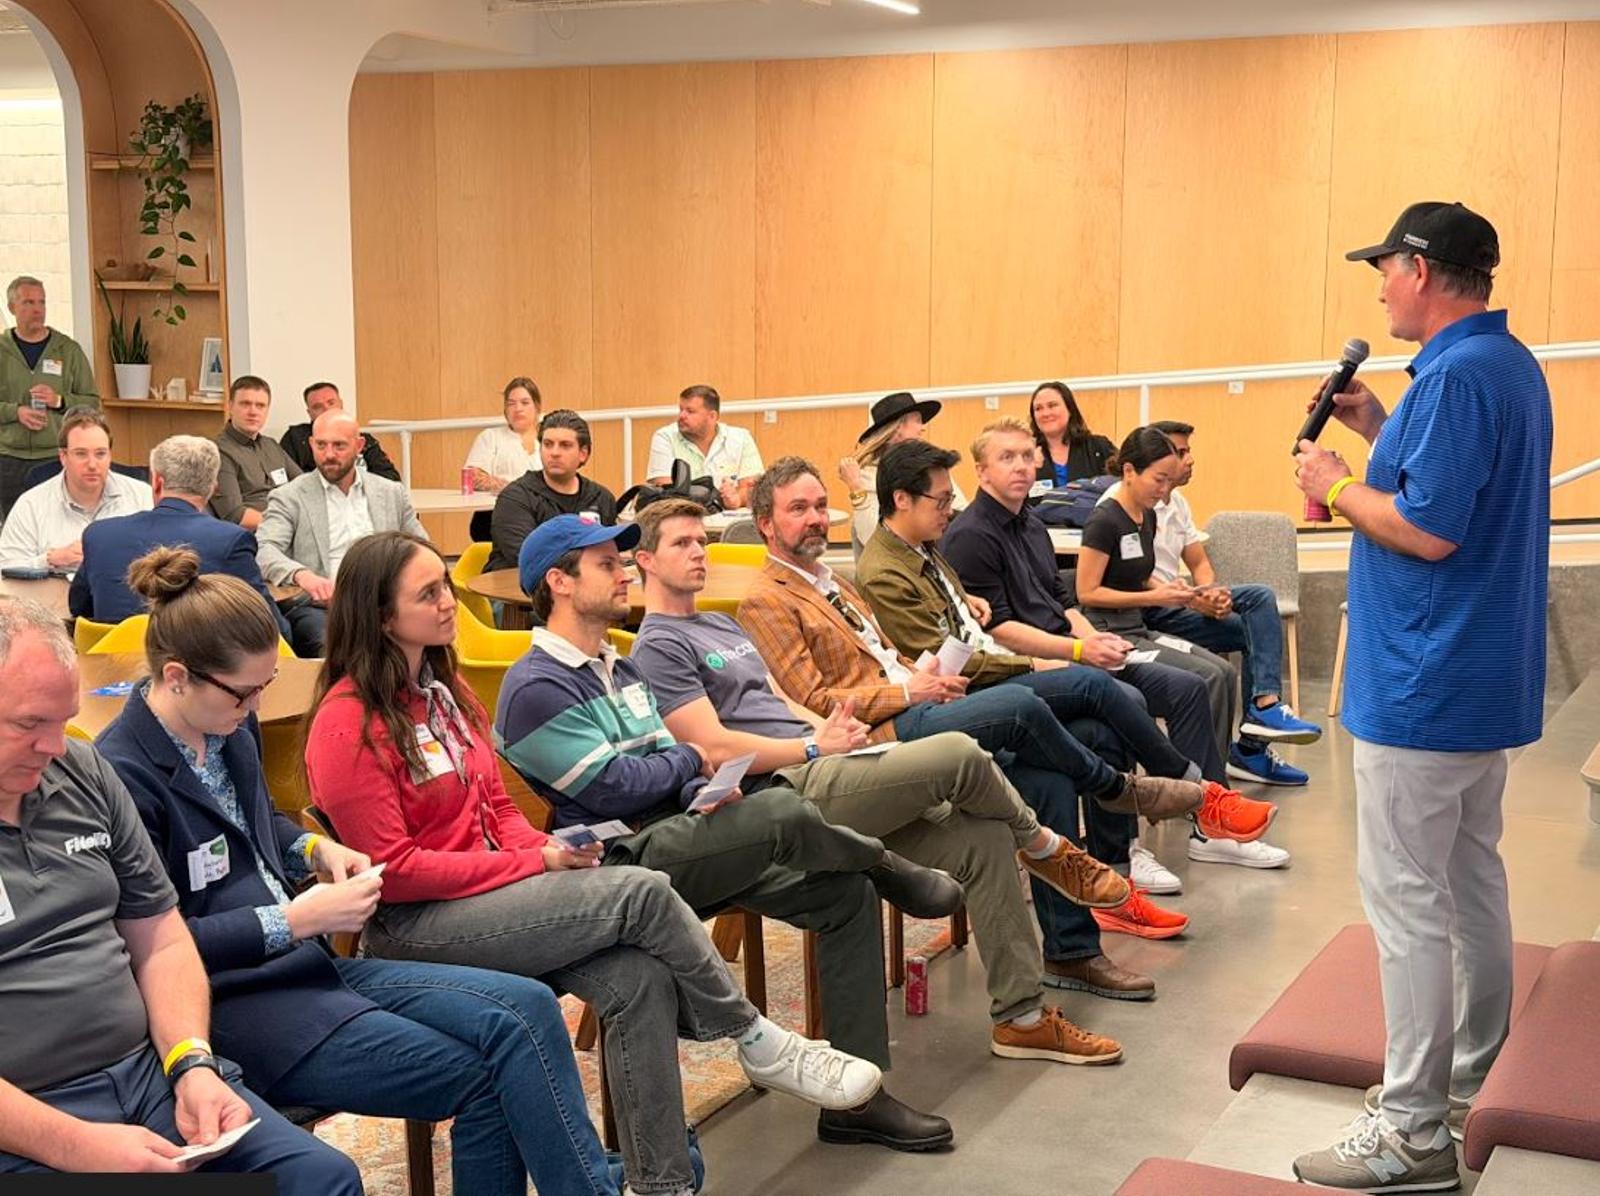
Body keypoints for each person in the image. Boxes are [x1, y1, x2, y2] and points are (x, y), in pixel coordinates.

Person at [306, 530, 883, 1196]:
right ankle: (755, 1038)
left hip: (491, 900)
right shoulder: (347, 723)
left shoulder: (447, 692)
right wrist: (533, 864)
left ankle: (661, 1185)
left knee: (640, 977)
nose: (448, 602)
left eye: (445, 584)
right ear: (382, 617)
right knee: (640, 891)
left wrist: (545, 854)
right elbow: (396, 872)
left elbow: (498, 809)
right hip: (417, 925)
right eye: (428, 593)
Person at [96, 545, 620, 1196]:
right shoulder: (123, 775)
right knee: (489, 1072)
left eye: (263, 688)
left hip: (309, 970)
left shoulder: (225, 724)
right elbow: (154, 947)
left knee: (528, 1008)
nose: (255, 708)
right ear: (177, 677)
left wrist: (312, 850)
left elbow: (258, 823)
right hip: (234, 1006)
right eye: (245, 693)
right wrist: (292, 919)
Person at [497, 515, 964, 1147]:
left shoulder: (620, 668)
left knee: (842, 893)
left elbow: (667, 765)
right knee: (779, 812)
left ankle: (857, 1104)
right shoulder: (535, 685)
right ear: (559, 582)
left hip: (681, 836)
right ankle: (882, 863)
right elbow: (614, 788)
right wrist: (692, 761)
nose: (624, 572)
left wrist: (699, 785)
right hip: (616, 868)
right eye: (607, 564)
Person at [630, 498, 1129, 1076]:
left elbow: (783, 703)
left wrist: (831, 733)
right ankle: (1046, 848)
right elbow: (713, 748)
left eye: (701, 541)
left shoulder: (720, 624)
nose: (698, 553)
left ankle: (1022, 1018)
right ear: (645, 561)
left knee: (987, 840)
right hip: (781, 789)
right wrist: (813, 748)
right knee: (959, 753)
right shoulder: (658, 644)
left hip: (827, 760)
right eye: (682, 543)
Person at [1289, 203, 1551, 1192]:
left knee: (1406, 904)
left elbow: (1428, 531)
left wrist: (1334, 480)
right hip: (1476, 678)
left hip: (1422, 681)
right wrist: (1378, 428)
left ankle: (1412, 1133)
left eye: (1385, 271)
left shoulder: (1452, 376)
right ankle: (1467, 1078)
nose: (1380, 290)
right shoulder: (1503, 364)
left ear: (1422, 269)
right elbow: (1453, 488)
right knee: (1470, 879)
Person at [0, 595, 361, 1190]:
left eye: (63, 721)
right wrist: (76, 1145)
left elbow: (162, 939)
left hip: (146, 1073)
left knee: (321, 1178)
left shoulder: (83, 772)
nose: (56, 746)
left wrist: (192, 1063)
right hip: (24, 1117)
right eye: (29, 724)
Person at [858, 437, 1223, 908]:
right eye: (941, 500)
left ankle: (1113, 868)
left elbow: (1047, 603)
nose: (1024, 468)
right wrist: (1054, 657)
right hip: (973, 686)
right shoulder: (913, 557)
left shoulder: (937, 544)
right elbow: (951, 657)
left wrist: (969, 603)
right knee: (1100, 687)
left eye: (1028, 457)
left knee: (1104, 728)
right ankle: (1190, 789)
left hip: (1010, 663)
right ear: (903, 499)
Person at [942, 418, 1290, 872]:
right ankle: (1129, 847)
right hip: (1032, 663)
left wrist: (1093, 638)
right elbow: (998, 629)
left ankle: (1211, 826)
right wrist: (1079, 651)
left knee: (1189, 687)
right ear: (982, 471)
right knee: (1124, 702)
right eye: (1007, 458)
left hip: (1076, 646)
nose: (1022, 466)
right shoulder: (970, 535)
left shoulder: (1031, 525)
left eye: (1027, 456)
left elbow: (1063, 601)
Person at [1120, 419, 1323, 785]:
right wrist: (1190, 600)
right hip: (1153, 608)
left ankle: (1253, 740)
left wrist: (1209, 592)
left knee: (1257, 617)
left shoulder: (1177, 502)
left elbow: (1198, 562)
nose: (1188, 460)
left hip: (1180, 601)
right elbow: (1133, 571)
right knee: (1232, 652)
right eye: (1179, 452)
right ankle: (1247, 736)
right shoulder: (1127, 502)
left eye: (1188, 452)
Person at [69, 435, 288, 639]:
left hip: (111, 663)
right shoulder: (231, 541)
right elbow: (271, 628)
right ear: (213, 488)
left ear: (157, 482)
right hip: (194, 664)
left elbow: (79, 609)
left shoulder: (99, 535)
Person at [256, 410, 426, 657]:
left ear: (359, 446)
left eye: (339, 446)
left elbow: (422, 548)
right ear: (311, 444)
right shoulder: (289, 497)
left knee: (427, 634)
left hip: (384, 601)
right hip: (320, 607)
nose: (329, 455)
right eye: (321, 445)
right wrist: (301, 574)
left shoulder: (391, 493)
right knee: (335, 648)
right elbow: (264, 549)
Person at [0, 407, 151, 572]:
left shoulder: (142, 496)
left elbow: (166, 559)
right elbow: (6, 568)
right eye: (81, 454)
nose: (92, 464)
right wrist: (49, 560)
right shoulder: (31, 504)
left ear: (110, 455)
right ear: (63, 457)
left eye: (100, 454)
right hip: (52, 588)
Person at [0, 275, 98, 519]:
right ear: (11, 307)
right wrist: (15, 412)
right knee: (14, 529)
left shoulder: (68, 350)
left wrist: (59, 401)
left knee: (59, 525)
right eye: (28, 302)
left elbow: (93, 404)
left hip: (56, 458)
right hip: (9, 459)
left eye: (41, 302)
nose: (38, 309)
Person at [488, 409, 619, 572]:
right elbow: (528, 559)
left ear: (583, 454)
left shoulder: (601, 498)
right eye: (548, 444)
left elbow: (608, 552)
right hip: (517, 584)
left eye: (565, 445)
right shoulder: (515, 498)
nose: (554, 453)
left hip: (584, 583)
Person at [838, 391, 967, 554]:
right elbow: (873, 538)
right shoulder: (868, 476)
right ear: (898, 427)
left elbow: (962, 513)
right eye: (917, 420)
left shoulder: (931, 467)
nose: (923, 428)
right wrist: (856, 489)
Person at [646, 384, 762, 510]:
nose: (681, 416)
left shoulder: (741, 438)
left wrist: (737, 498)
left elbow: (752, 488)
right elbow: (666, 493)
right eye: (681, 409)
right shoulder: (665, 437)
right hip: (682, 517)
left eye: (690, 411)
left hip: (727, 519)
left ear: (712, 416)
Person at [213, 375, 301, 531]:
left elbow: (304, 485)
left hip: (290, 525)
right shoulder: (218, 452)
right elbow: (235, 515)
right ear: (230, 406)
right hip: (257, 534)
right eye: (245, 404)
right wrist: (287, 524)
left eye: (260, 406)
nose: (253, 412)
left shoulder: (271, 445)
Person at [279, 381, 401, 481]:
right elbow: (285, 481)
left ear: (341, 404)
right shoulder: (295, 439)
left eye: (331, 403)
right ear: (309, 413)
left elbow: (390, 477)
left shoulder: (363, 439)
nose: (326, 409)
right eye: (318, 407)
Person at [464, 376, 543, 495]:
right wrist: (502, 486)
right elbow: (470, 477)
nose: (518, 409)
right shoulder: (490, 437)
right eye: (511, 404)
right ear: (505, 409)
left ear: (537, 406)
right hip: (500, 503)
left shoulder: (549, 440)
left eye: (525, 403)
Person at [1029, 380, 1113, 492]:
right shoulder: (1026, 454)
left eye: (1052, 405)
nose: (1045, 413)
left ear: (1070, 410)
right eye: (1038, 408)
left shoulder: (1098, 447)